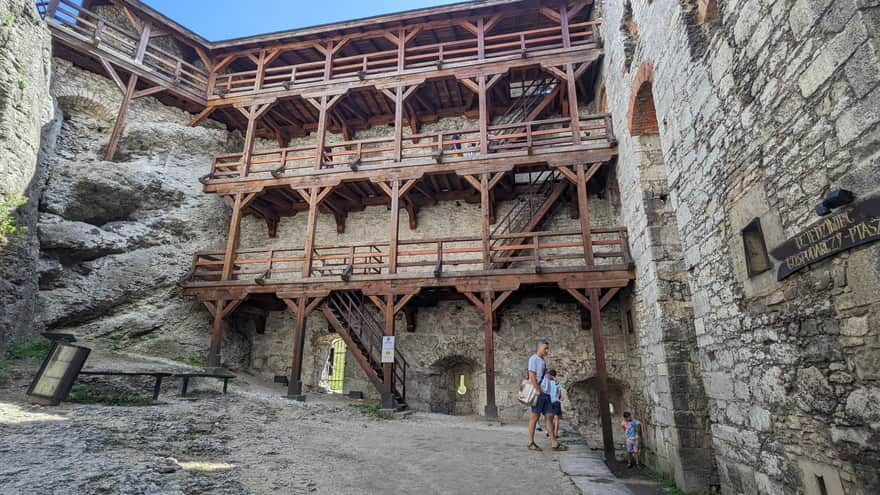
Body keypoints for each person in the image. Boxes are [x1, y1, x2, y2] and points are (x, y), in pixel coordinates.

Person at [527, 340, 566, 451]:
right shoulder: (533, 359)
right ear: (539, 348)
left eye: (547, 348)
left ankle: (554, 442)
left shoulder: (542, 361)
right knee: (535, 416)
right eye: (545, 348)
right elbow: (532, 375)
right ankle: (531, 442)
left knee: (549, 416)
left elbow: (543, 376)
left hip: (546, 393)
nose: (547, 351)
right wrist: (537, 390)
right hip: (539, 393)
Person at [547, 369, 565, 440]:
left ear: (550, 375)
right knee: (556, 419)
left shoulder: (547, 383)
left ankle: (549, 432)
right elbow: (559, 394)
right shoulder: (557, 383)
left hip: (549, 402)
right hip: (556, 401)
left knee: (549, 419)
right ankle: (556, 434)